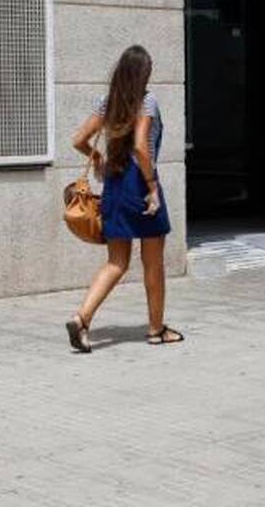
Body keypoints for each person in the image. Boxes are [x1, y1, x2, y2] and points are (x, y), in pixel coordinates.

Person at [65, 45, 184, 353]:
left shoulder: (107, 101)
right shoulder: (147, 100)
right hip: (140, 184)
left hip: (114, 185)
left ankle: (81, 319)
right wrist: (152, 187)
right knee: (153, 262)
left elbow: (79, 139)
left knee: (117, 261)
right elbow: (142, 147)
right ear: (142, 74)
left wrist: (97, 158)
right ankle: (156, 330)